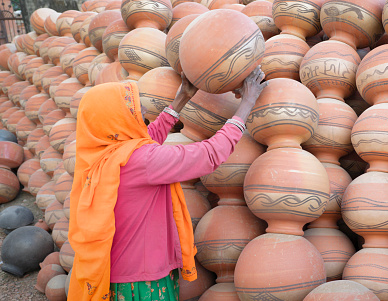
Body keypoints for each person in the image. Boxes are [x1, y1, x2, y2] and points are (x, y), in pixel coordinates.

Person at [67, 67, 267, 301]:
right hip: (142, 283)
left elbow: (146, 141)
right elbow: (209, 154)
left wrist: (182, 98)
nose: (141, 108)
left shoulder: (103, 155)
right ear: (115, 117)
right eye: (131, 104)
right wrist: (247, 103)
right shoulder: (140, 160)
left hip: (117, 274)